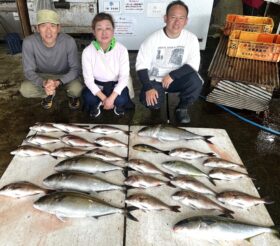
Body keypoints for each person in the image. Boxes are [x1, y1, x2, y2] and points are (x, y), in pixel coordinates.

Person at [136, 0, 203, 123]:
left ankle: (182, 108)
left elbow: (194, 64)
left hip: (177, 79)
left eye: (181, 18)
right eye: (173, 17)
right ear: (165, 18)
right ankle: (156, 106)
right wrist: (148, 87)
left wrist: (172, 75)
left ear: (186, 21)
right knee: (149, 101)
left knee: (196, 82)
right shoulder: (152, 39)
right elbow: (141, 66)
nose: (177, 22)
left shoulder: (191, 38)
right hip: (156, 80)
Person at [20, 9, 83, 110]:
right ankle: (49, 93)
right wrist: (44, 83)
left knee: (77, 89)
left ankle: (70, 96)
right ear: (37, 28)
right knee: (25, 89)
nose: (48, 31)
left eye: (53, 26)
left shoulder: (69, 41)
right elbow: (28, 71)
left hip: (64, 76)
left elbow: (75, 69)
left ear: (58, 28)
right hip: (43, 76)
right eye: (43, 25)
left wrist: (58, 82)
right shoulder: (29, 42)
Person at [82, 12, 134, 118]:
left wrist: (111, 98)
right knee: (88, 97)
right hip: (98, 86)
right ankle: (97, 104)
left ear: (113, 30)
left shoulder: (122, 50)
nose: (104, 33)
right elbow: (88, 80)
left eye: (108, 28)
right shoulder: (87, 51)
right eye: (99, 29)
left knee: (121, 99)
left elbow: (124, 77)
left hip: (114, 85)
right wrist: (105, 99)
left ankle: (115, 106)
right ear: (94, 32)